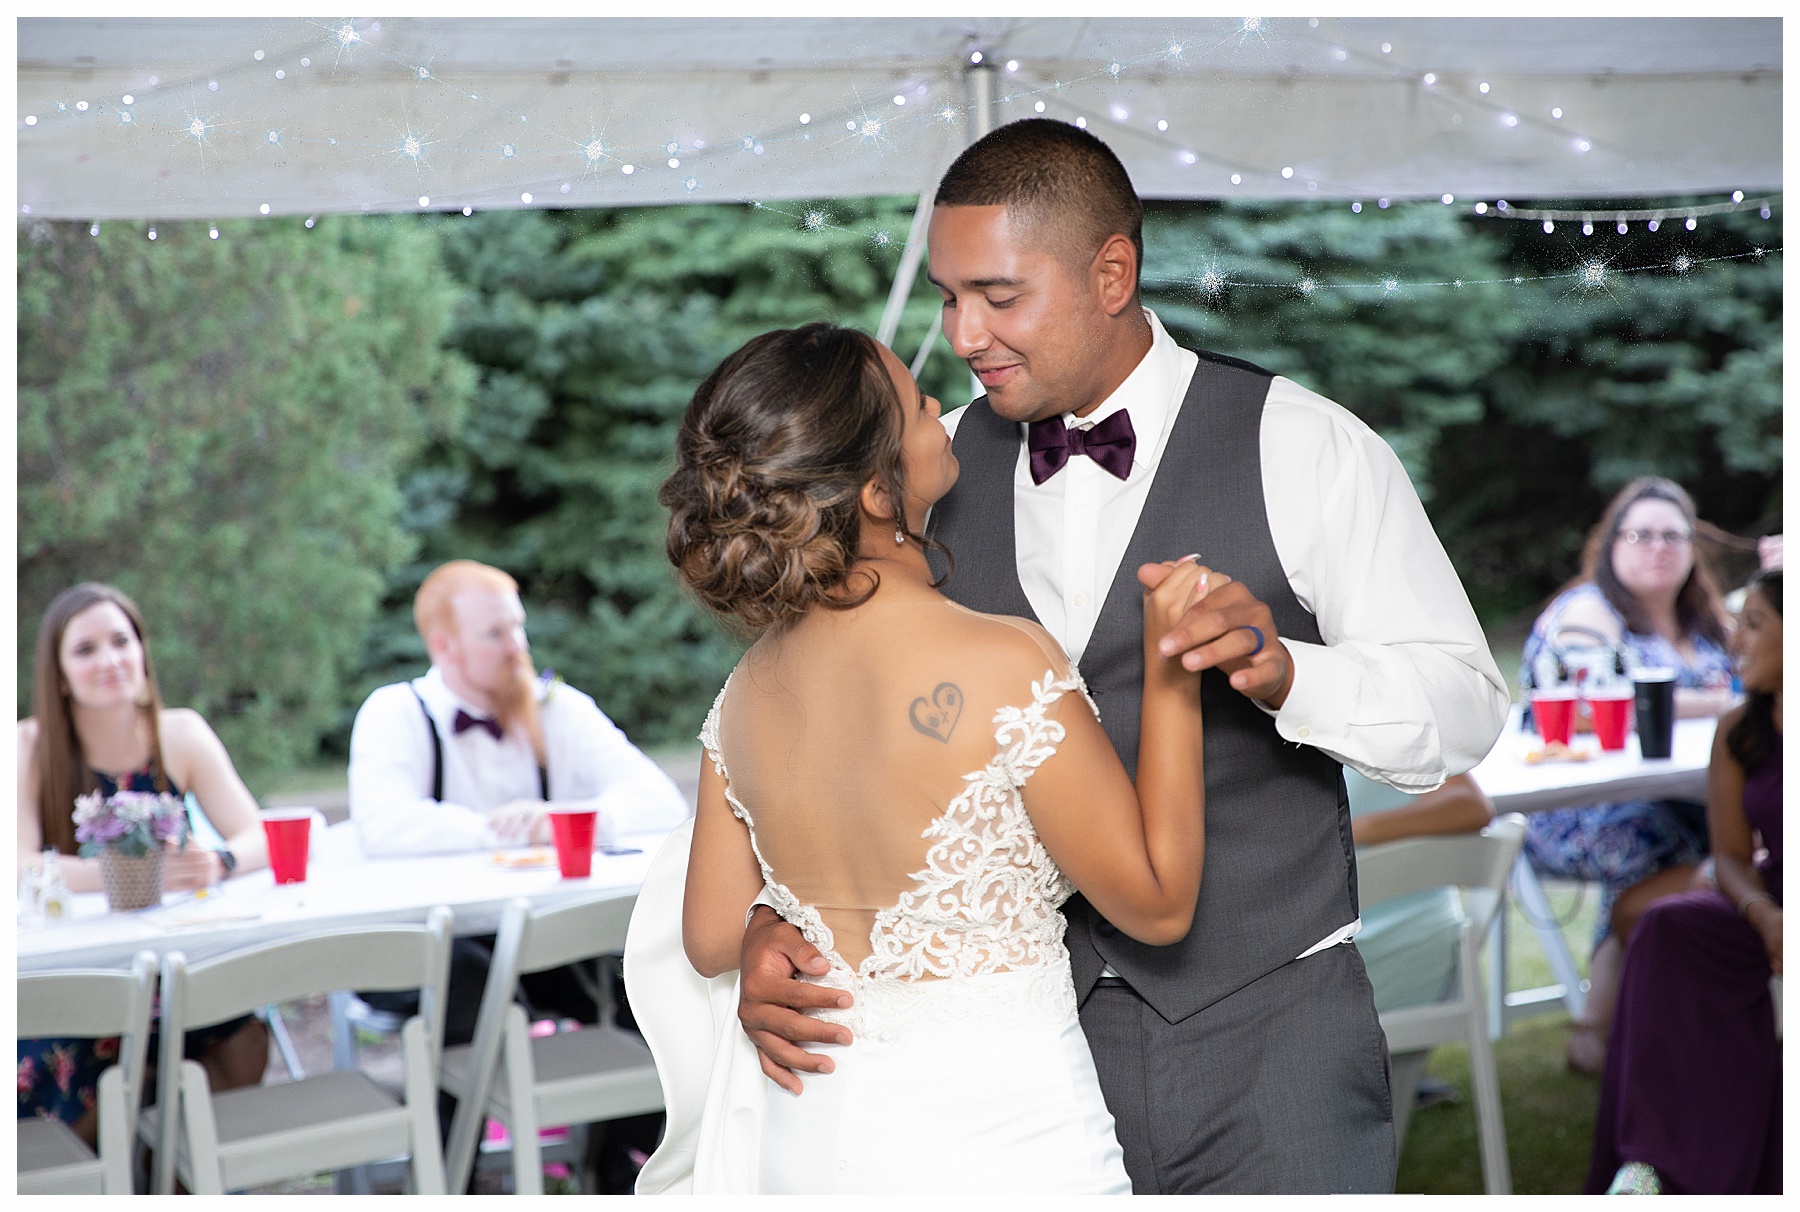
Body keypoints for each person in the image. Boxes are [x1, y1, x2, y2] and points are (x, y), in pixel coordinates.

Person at [728, 119, 1509, 1194]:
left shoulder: (1303, 444)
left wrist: (1290, 673)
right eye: (949, 298)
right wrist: (783, 914)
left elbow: (1465, 707)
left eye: (999, 297)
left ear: (1111, 271)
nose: (961, 333)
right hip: (1014, 1076)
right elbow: (839, 728)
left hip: (1268, 1041)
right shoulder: (921, 467)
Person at [655, 321, 1211, 1192]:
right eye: (919, 407)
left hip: (815, 1131)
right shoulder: (1003, 663)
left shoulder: (746, 693)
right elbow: (1158, 903)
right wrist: (1172, 668)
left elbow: (708, 934)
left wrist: (774, 922)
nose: (942, 411)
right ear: (879, 492)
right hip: (998, 1140)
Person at [348, 559, 689, 1047]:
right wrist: (502, 830)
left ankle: (618, 1120)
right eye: (494, 634)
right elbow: (385, 827)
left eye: (518, 628)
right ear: (444, 646)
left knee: (653, 1003)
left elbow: (660, 801)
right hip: (440, 942)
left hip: (546, 938)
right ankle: (455, 1123)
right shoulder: (396, 712)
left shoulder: (556, 707)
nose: (517, 648)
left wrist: (560, 822)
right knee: (469, 986)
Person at [17, 582, 271, 1144]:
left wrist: (219, 862)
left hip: (177, 963)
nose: (110, 660)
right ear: (58, 673)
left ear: (142, 651)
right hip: (79, 972)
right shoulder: (28, 747)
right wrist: (129, 877)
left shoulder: (179, 733)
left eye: (121, 641)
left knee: (244, 1034)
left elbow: (260, 835)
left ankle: (188, 1180)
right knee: (61, 1062)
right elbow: (17, 864)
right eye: (85, 649)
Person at [1517, 477, 1738, 1072]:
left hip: (1685, 796)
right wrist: (1713, 702)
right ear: (1611, 542)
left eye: (1674, 535)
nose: (1658, 546)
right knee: (1656, 840)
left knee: (1736, 830)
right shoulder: (1589, 610)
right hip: (1571, 804)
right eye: (1641, 533)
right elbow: (1588, 705)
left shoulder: (1708, 623)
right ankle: (1605, 1029)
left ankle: (1677, 1017)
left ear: (1693, 548)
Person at [1587, 568, 1781, 1194]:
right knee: (1664, 926)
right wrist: (1763, 914)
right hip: (1766, 903)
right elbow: (1727, 856)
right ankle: (1648, 1167)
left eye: (1754, 625)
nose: (1737, 641)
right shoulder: (1740, 729)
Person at [1346, 771, 1496, 1142]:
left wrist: (1351, 831)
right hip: (1407, 960)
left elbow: (1473, 805)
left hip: (1385, 962)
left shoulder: (1386, 724)